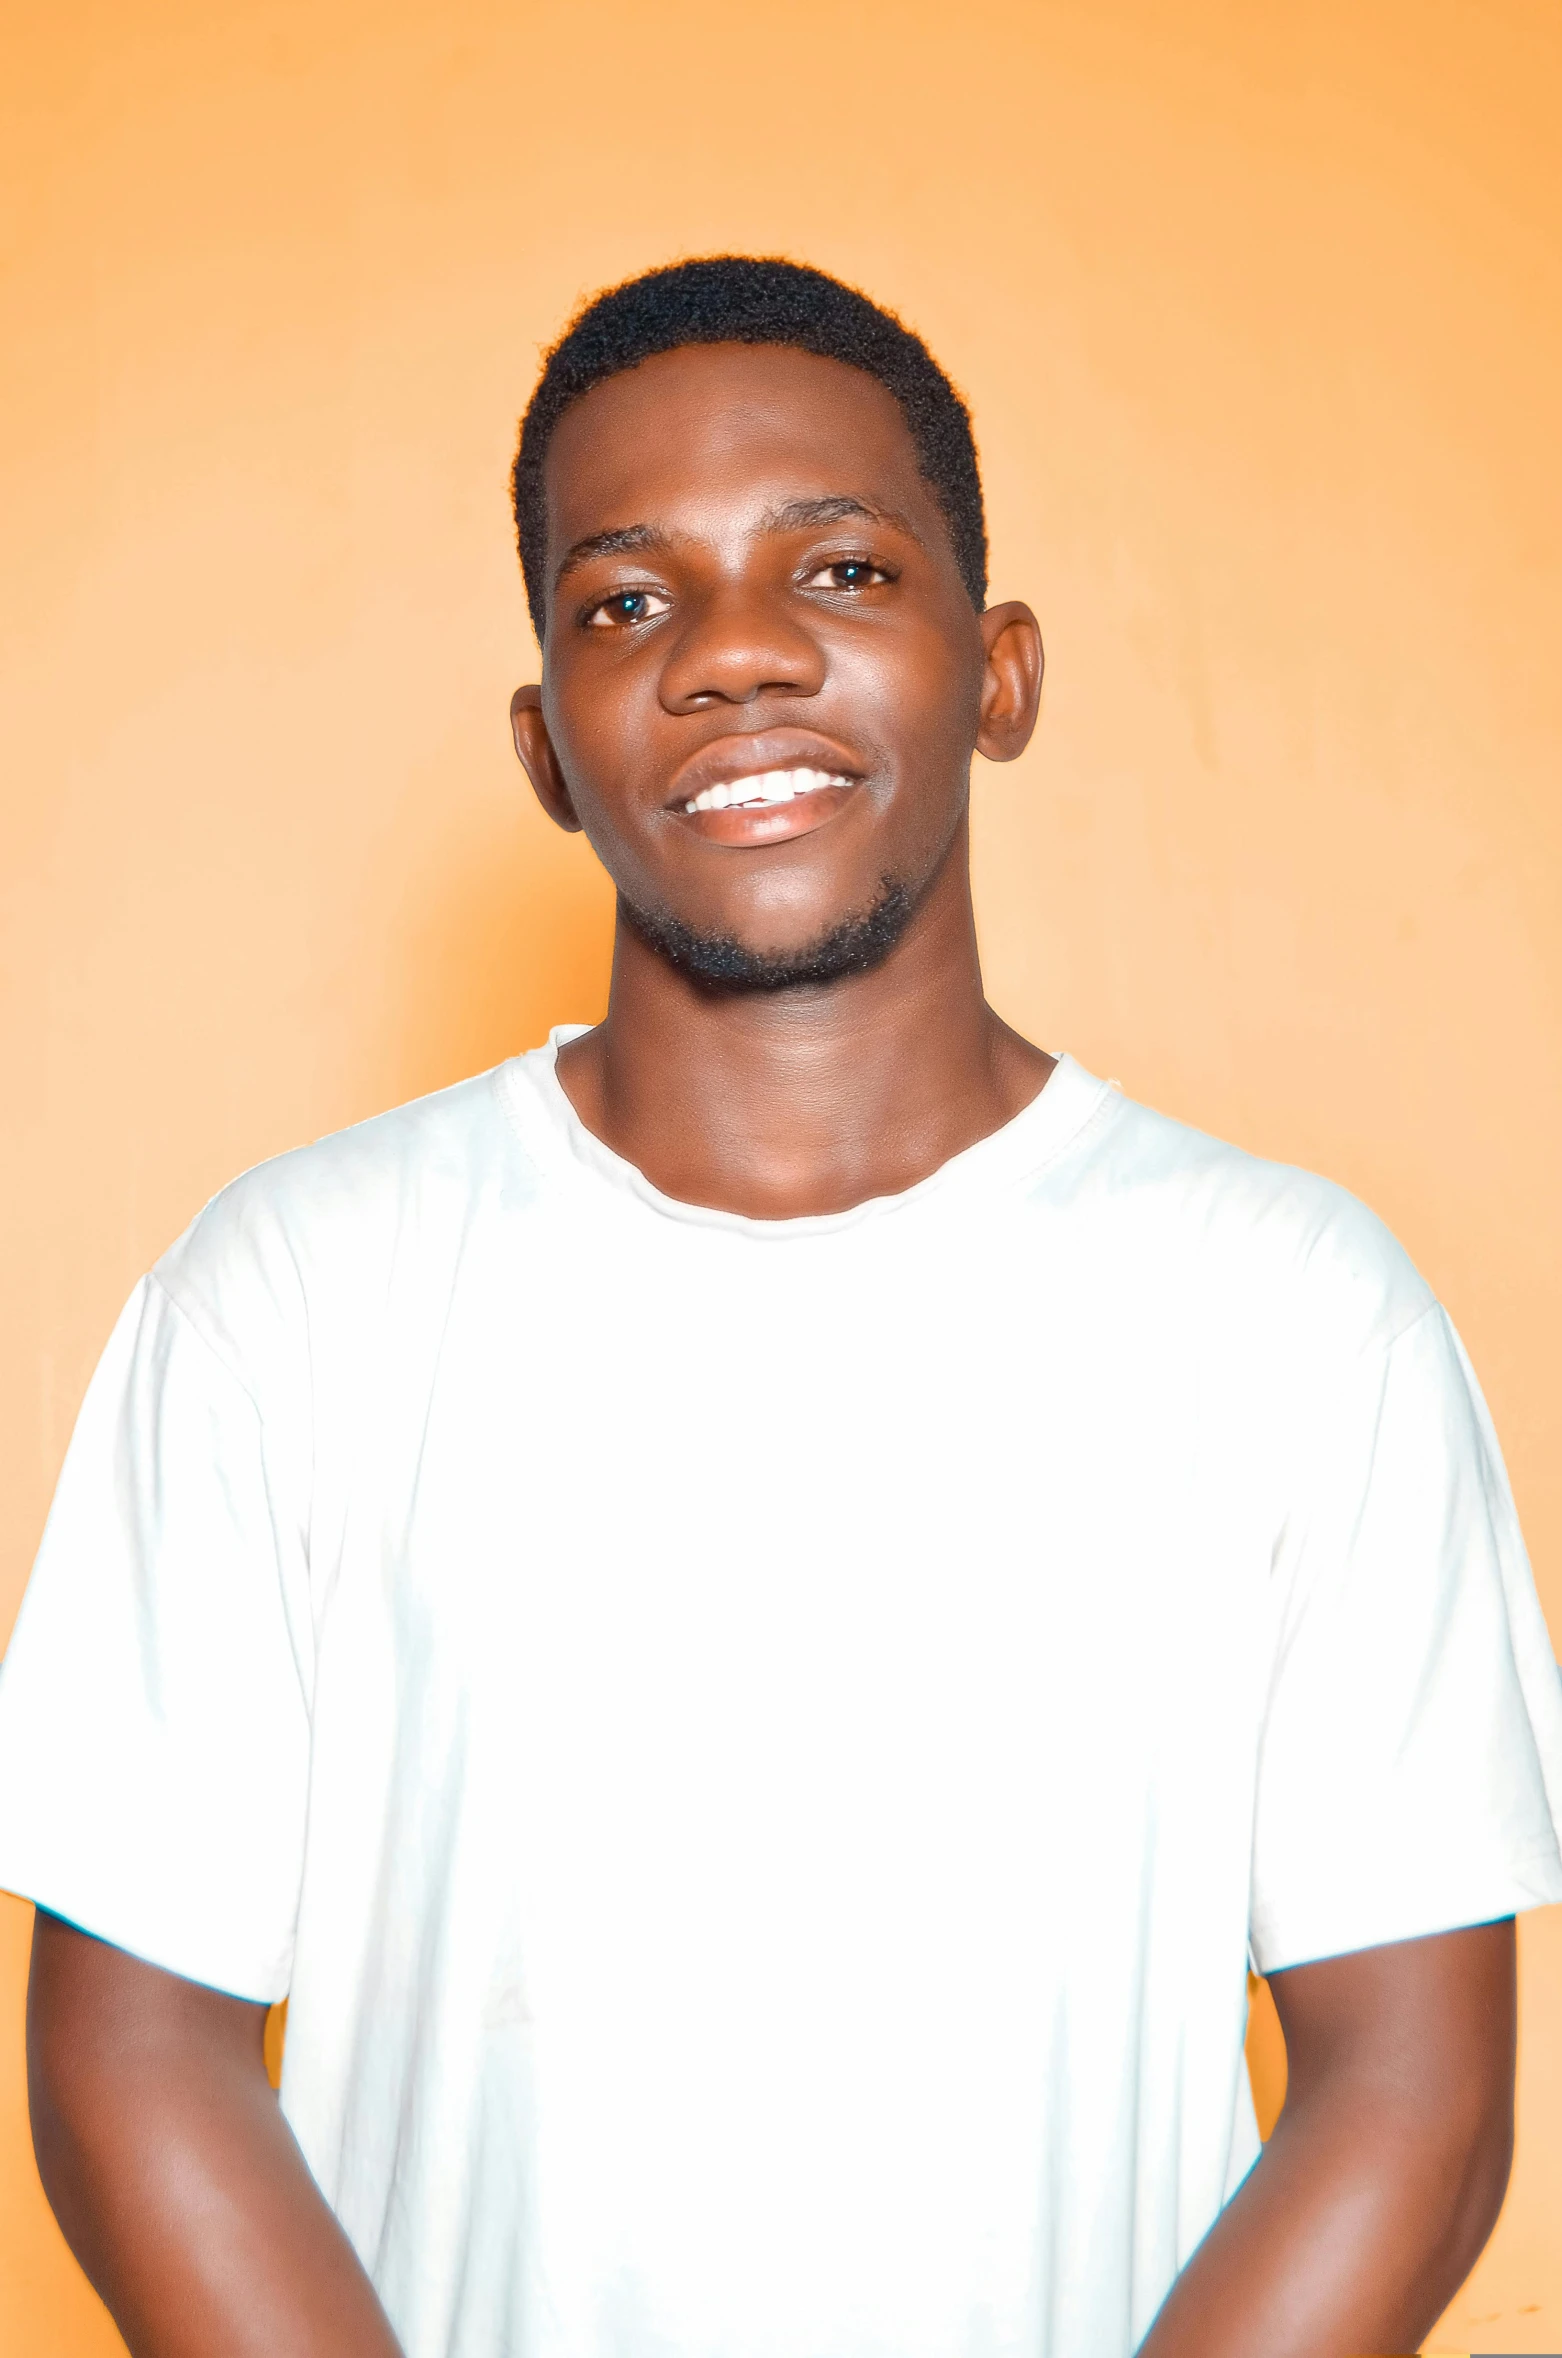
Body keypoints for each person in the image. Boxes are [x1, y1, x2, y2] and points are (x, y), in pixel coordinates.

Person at [3, 256, 1560, 2358]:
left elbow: (1416, 2092)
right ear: (547, 744)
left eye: (835, 567)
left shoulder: (1294, 1317)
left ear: (997, 673)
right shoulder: (289, 1295)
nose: (734, 654)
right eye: (625, 603)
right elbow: (132, 2051)